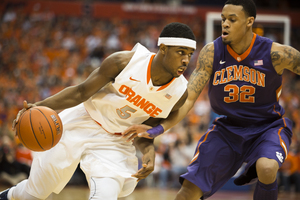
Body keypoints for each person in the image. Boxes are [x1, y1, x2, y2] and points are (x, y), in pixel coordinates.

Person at [122, 0, 300, 199]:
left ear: (249, 22)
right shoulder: (211, 52)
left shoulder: (277, 53)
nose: (225, 24)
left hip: (267, 126)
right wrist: (159, 128)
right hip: (227, 129)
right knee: (188, 191)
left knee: (267, 168)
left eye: (232, 19)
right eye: (224, 19)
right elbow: (188, 99)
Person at [0, 22, 196, 200]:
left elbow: (143, 132)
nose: (186, 60)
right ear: (163, 48)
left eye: (190, 54)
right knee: (33, 195)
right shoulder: (124, 62)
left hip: (114, 142)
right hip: (83, 119)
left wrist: (148, 151)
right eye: (181, 52)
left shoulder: (178, 95)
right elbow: (81, 91)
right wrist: (38, 106)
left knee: (105, 196)